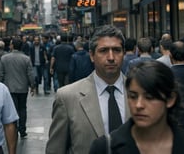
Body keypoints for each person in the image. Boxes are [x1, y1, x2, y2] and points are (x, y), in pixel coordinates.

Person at [89, 60, 184, 154]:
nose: (139, 105)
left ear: (170, 99)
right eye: (133, 96)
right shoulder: (105, 148)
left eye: (150, 97)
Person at [46, 25, 130, 154]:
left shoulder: (141, 93)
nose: (111, 57)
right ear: (91, 55)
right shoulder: (67, 97)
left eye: (117, 50)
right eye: (103, 51)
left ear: (124, 53)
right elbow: (56, 149)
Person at [0, 38, 35, 138]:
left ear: (12, 45)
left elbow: (0, 74)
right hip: (23, 88)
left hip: (9, 88)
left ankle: (13, 129)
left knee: (11, 110)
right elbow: (30, 74)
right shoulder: (26, 58)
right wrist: (32, 86)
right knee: (22, 108)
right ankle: (22, 129)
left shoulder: (4, 58)